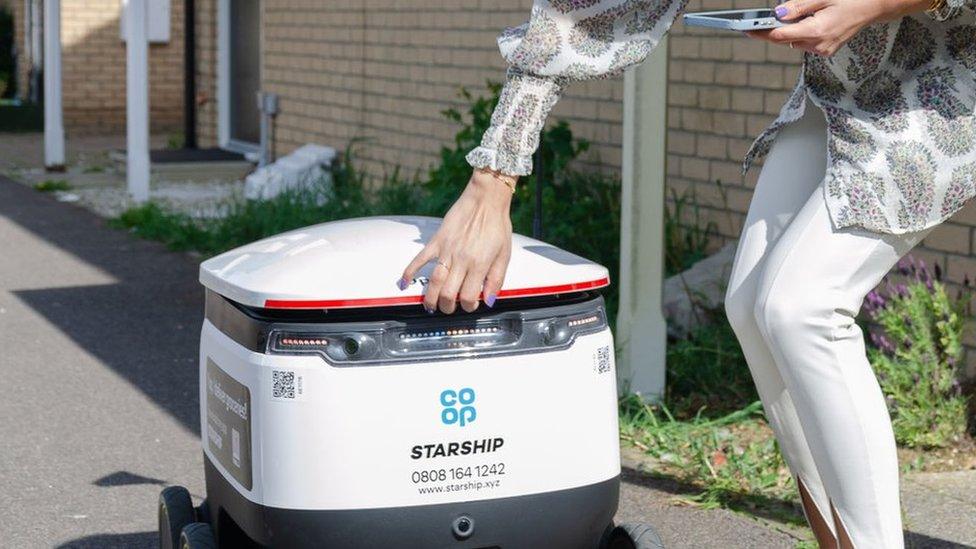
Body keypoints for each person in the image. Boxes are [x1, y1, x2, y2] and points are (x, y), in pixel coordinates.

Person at [398, 0, 976, 547]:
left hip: (944, 89)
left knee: (802, 309)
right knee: (750, 306)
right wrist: (493, 177)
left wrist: (871, 6)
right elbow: (578, 13)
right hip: (839, 87)